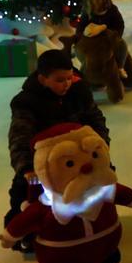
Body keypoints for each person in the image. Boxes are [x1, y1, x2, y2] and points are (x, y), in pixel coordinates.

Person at [6, 50, 110, 250]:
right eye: (60, 80)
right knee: (22, 191)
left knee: (103, 178)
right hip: (46, 161)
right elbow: (19, 135)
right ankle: (25, 231)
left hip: (81, 155)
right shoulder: (26, 102)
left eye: (69, 78)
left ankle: (99, 222)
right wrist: (26, 167)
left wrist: (100, 145)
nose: (67, 84)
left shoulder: (79, 93)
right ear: (43, 79)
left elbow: (95, 119)